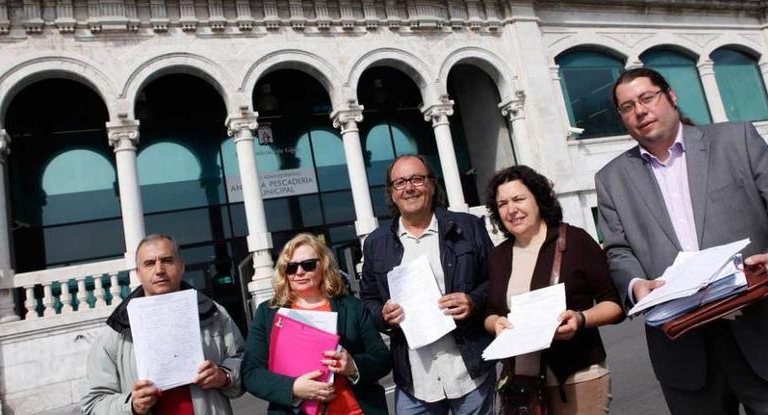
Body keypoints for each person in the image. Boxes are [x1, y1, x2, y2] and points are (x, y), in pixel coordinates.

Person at [595, 67, 768, 414]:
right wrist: (635, 285)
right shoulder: (611, 179)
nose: (640, 111)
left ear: (671, 96)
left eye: (647, 98)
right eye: (627, 107)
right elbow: (618, 250)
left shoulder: (737, 141)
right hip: (685, 354)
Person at [359, 154, 495, 415]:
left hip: (469, 373)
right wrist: (383, 315)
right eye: (399, 183)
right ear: (392, 193)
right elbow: (368, 300)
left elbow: (496, 281)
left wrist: (473, 301)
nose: (409, 188)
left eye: (417, 179)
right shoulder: (376, 244)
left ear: (432, 185)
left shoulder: (468, 226)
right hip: (415, 381)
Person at [483, 165, 622, 414]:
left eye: (518, 199)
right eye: (502, 203)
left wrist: (580, 318)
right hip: (522, 384)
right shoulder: (498, 257)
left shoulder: (575, 241)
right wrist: (496, 324)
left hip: (577, 377)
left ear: (538, 199)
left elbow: (614, 303)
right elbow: (491, 312)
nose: (511, 209)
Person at [82, 234, 245, 415]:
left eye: (167, 260)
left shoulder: (214, 314)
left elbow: (244, 361)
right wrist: (131, 406)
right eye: (149, 263)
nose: (159, 269)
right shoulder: (116, 331)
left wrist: (224, 376)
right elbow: (93, 404)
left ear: (181, 266)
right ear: (138, 273)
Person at [242, 233, 391, 415]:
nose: (299, 272)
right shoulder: (268, 313)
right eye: (291, 267)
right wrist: (293, 388)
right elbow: (252, 373)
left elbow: (382, 357)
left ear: (324, 265)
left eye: (308, 265)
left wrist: (353, 366)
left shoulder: (351, 307)